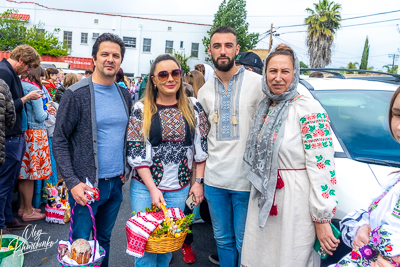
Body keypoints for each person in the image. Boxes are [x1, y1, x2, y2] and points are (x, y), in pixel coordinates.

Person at [240, 44, 339, 267]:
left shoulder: (309, 109)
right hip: (264, 199)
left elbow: (322, 166)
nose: (277, 78)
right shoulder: (264, 107)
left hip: (295, 203)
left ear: (295, 74)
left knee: (289, 258)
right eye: (272, 71)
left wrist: (322, 218)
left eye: (285, 71)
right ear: (264, 73)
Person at [53, 33, 132, 267]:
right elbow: (59, 140)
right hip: (85, 186)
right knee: (81, 246)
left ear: (120, 61)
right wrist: (72, 181)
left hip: (115, 185)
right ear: (94, 60)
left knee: (104, 241)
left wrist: (125, 168)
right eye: (105, 54)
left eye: (115, 55)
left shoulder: (123, 94)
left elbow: (125, 137)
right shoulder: (75, 94)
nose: (110, 59)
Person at [126, 53, 209, 267]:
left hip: (179, 189)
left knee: (168, 247)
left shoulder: (193, 106)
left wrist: (198, 183)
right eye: (163, 74)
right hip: (145, 188)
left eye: (175, 73)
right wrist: (153, 189)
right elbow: (136, 153)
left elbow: (202, 147)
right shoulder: (141, 109)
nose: (170, 78)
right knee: (145, 248)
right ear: (153, 79)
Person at [196, 26, 264, 267]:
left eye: (227, 46)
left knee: (245, 242)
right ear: (210, 51)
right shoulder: (203, 92)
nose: (222, 51)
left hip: (247, 181)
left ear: (236, 49)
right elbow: (201, 141)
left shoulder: (259, 84)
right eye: (217, 46)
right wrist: (200, 181)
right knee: (223, 241)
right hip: (215, 182)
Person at [330, 87, 400, 267]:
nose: (399, 126)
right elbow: (368, 218)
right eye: (397, 114)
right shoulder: (394, 178)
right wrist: (361, 229)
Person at [0, 45, 42, 234]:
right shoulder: (4, 73)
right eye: (28, 67)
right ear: (22, 60)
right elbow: (7, 107)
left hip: (14, 136)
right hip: (9, 137)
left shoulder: (9, 73)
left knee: (9, 183)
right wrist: (26, 98)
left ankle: (8, 219)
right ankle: (2, 224)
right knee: (4, 183)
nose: (28, 71)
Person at [19, 67, 55, 221]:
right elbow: (41, 116)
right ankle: (28, 211)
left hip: (25, 132)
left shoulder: (20, 85)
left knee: (24, 173)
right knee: (32, 174)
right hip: (36, 134)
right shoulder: (35, 89)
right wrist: (49, 112)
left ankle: (23, 207)